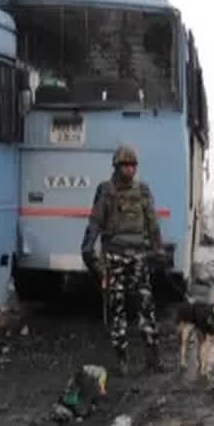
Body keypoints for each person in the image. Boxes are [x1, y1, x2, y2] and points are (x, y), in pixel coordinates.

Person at [81, 144, 164, 374]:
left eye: (132, 165)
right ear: (116, 167)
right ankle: (122, 361)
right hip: (114, 257)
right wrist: (88, 250)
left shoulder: (143, 191)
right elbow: (95, 222)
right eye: (125, 165)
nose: (129, 170)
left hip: (138, 256)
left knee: (146, 306)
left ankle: (153, 358)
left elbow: (153, 223)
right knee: (117, 309)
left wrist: (158, 250)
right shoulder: (106, 190)